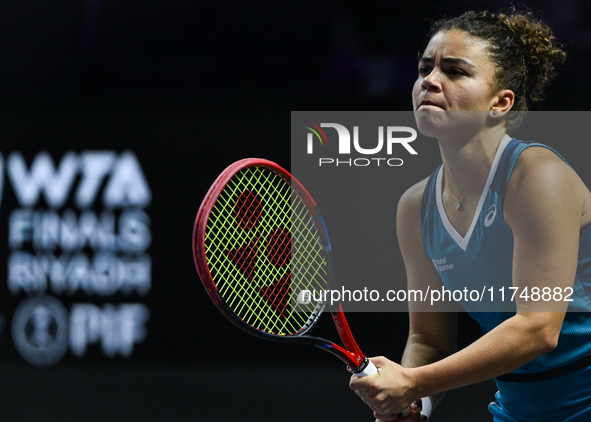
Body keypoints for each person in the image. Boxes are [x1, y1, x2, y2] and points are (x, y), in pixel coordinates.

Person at [349, 10, 591, 422]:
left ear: (501, 102)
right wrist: (415, 402)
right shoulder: (415, 206)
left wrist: (415, 381)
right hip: (519, 412)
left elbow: (538, 328)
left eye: (455, 71)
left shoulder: (537, 176)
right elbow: (428, 337)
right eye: (425, 68)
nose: (430, 80)